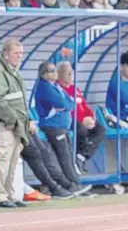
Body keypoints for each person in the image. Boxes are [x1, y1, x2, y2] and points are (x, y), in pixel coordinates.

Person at [34, 61, 93, 196]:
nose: (55, 73)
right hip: (53, 127)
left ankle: (75, 184)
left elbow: (69, 103)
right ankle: (74, 185)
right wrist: (67, 104)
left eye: (55, 70)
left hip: (61, 127)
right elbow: (62, 103)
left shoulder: (55, 86)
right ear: (43, 74)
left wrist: (68, 104)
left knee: (67, 156)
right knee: (65, 157)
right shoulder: (45, 87)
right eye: (51, 71)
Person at [0, 39, 29, 209]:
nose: (19, 57)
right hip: (6, 125)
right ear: (5, 54)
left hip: (16, 125)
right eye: (16, 53)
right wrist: (11, 120)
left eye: (21, 53)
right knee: (2, 159)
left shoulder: (13, 72)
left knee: (12, 161)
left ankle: (9, 194)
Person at [57, 61, 106, 173]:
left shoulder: (75, 89)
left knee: (100, 129)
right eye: (67, 72)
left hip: (84, 120)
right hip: (67, 120)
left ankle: (81, 156)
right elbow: (66, 109)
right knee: (81, 128)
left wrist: (90, 118)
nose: (70, 75)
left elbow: (84, 105)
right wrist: (83, 120)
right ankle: (75, 159)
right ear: (59, 74)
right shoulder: (57, 89)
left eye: (71, 72)